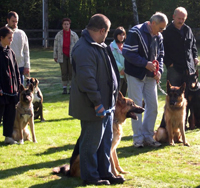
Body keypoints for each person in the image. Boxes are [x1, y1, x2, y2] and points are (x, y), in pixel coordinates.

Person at [69, 14, 124, 185]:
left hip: (105, 106)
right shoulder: (84, 48)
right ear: (102, 30)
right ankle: (91, 176)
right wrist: (98, 103)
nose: (107, 36)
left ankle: (104, 172)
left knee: (104, 142)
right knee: (91, 143)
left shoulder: (97, 45)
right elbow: (87, 81)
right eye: (107, 32)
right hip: (93, 106)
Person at [122, 12, 168, 148]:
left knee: (153, 106)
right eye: (160, 28)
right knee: (136, 106)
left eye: (163, 29)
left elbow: (161, 55)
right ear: (153, 23)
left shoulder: (159, 36)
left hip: (150, 76)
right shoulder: (135, 32)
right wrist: (145, 63)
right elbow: (128, 53)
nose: (162, 31)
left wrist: (159, 71)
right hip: (135, 74)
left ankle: (148, 136)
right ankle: (137, 139)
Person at [159, 7, 199, 128]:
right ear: (173, 17)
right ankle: (167, 125)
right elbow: (161, 49)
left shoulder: (188, 29)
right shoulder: (166, 31)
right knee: (172, 98)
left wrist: (195, 56)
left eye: (183, 18)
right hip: (175, 69)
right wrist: (168, 63)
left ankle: (188, 124)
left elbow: (193, 46)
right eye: (179, 18)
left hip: (189, 70)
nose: (181, 21)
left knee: (189, 99)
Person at [0, 27, 21, 144]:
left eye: (12, 38)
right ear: (1, 38)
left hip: (12, 90)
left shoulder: (11, 52)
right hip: (2, 90)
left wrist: (18, 85)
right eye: (9, 38)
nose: (11, 40)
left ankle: (8, 136)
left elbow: (16, 71)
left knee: (10, 114)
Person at [53, 18, 79, 94]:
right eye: (65, 24)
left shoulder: (74, 35)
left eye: (67, 24)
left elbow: (78, 46)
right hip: (62, 55)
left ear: (69, 25)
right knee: (64, 72)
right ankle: (64, 88)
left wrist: (77, 56)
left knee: (71, 72)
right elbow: (55, 45)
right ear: (62, 25)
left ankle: (71, 88)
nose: (66, 25)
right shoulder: (59, 35)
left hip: (72, 55)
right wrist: (55, 55)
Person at [6, 11, 30, 85]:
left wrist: (27, 66)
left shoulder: (21, 33)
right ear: (8, 20)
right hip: (7, 65)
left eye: (16, 21)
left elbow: (26, 51)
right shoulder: (3, 33)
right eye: (13, 21)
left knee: (20, 89)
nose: (15, 24)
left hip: (20, 66)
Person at [110, 26, 127, 96]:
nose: (122, 36)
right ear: (116, 35)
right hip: (117, 74)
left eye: (123, 34)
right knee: (116, 95)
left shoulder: (126, 46)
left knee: (123, 95)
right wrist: (120, 69)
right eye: (120, 34)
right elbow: (112, 59)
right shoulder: (111, 46)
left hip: (126, 74)